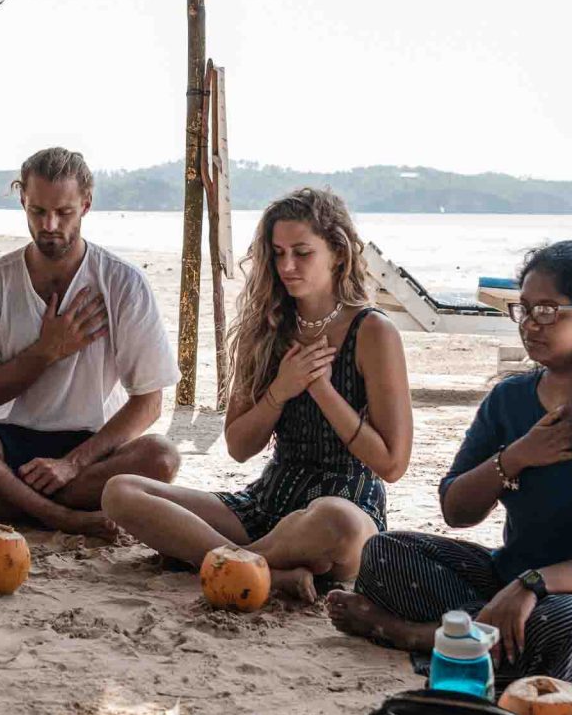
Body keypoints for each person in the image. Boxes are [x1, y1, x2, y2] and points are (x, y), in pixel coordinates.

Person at [329, 240, 572, 707]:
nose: (530, 324)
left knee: (560, 622)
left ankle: (421, 636)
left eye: (547, 310)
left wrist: (531, 585)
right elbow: (455, 509)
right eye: (523, 309)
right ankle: (481, 635)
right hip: (516, 575)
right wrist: (517, 456)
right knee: (385, 552)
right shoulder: (510, 401)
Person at [102, 189, 412, 601]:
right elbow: (239, 446)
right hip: (269, 501)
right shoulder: (266, 327)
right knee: (120, 491)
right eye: (278, 252)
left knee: (338, 521)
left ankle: (233, 562)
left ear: (338, 251)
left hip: (346, 510)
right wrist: (280, 391)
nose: (286, 265)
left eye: (302, 252)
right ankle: (262, 568)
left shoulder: (374, 332)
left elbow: (391, 464)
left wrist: (320, 389)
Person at [0, 147, 181, 536]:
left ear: (86, 205)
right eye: (37, 212)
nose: (49, 225)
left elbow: (149, 403)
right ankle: (56, 515)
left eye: (63, 213)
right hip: (1, 452)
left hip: (92, 448)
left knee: (162, 457)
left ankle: (4, 507)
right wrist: (44, 353)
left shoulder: (123, 283)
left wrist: (74, 463)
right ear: (22, 201)